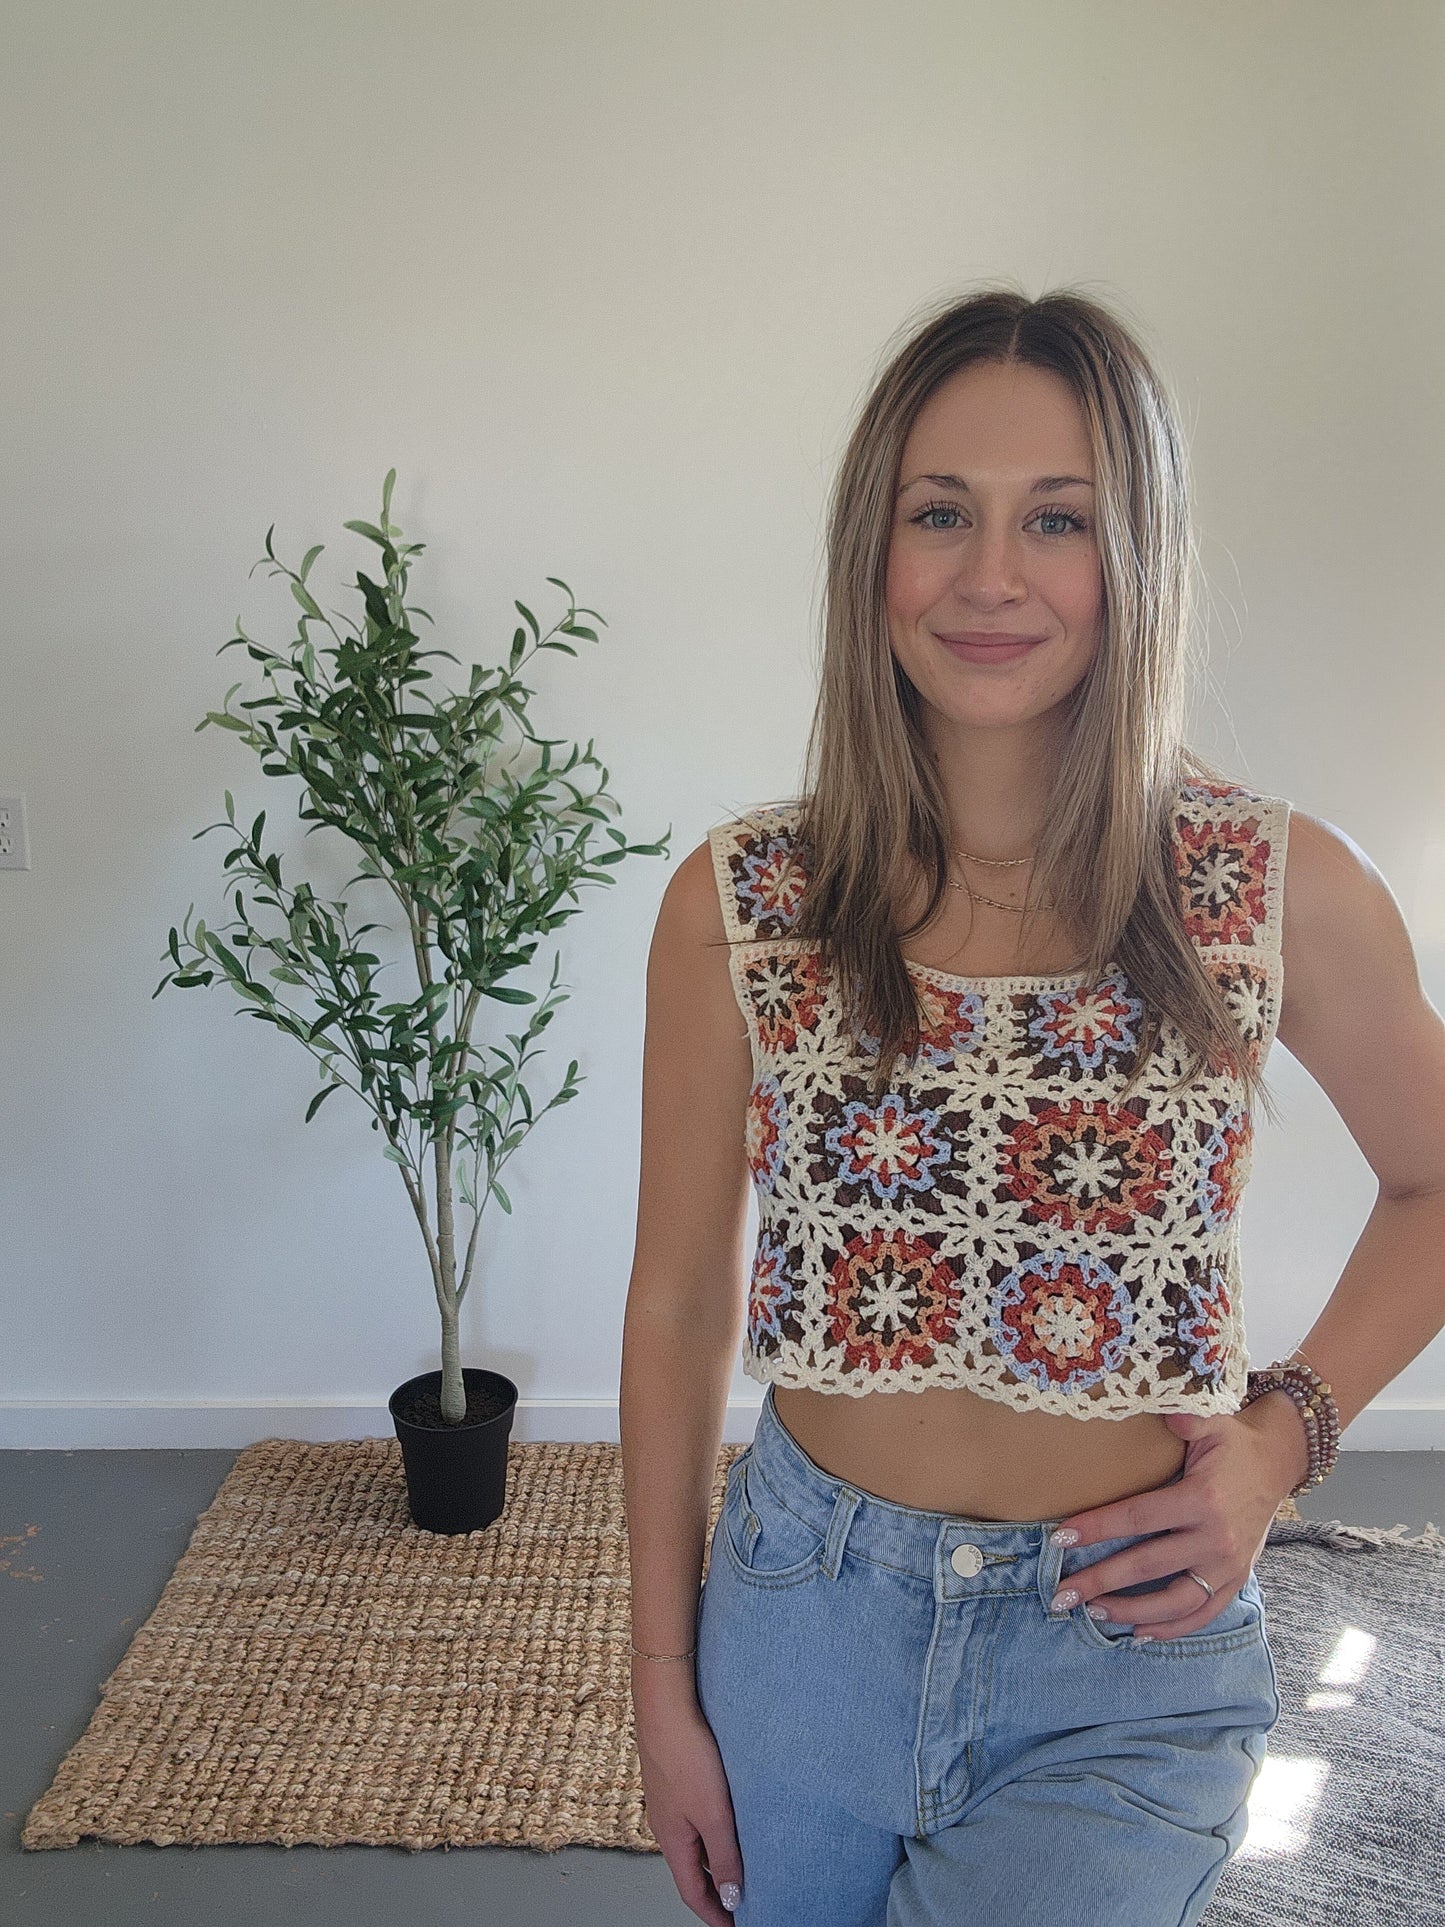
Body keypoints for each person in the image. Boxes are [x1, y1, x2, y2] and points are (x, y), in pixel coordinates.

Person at [619, 284, 1445, 1927]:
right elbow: (677, 1299)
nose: (989, 576)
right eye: (941, 513)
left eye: (1054, 519)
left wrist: (1280, 1443)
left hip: (1119, 1655)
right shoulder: (739, 900)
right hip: (800, 1622)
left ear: (1131, 554)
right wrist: (659, 1675)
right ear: (874, 549)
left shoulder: (1272, 886)